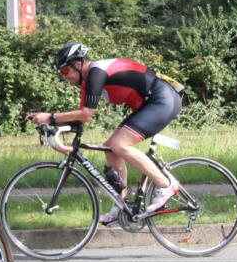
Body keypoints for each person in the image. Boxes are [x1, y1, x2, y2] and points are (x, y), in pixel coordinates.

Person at [27, 42, 182, 225]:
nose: (65, 76)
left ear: (78, 64)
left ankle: (165, 185)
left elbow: (86, 114)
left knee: (119, 144)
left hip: (162, 99)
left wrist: (50, 117)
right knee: (110, 148)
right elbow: (81, 118)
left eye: (65, 71)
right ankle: (121, 206)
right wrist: (51, 125)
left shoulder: (96, 72)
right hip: (149, 104)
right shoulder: (87, 82)